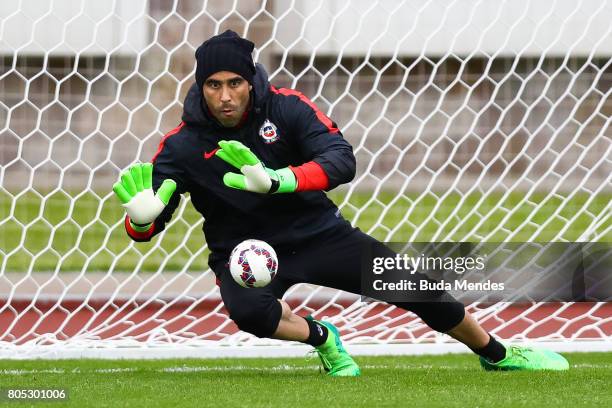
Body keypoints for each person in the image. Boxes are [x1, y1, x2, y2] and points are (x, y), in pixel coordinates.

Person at [113, 30, 569, 376]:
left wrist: (279, 181)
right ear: (200, 86)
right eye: (214, 85)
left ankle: (498, 354)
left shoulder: (287, 109)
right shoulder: (181, 146)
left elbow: (341, 160)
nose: (225, 95)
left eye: (235, 82)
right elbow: (147, 228)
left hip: (320, 235)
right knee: (251, 315)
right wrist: (140, 220)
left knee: (419, 289)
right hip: (246, 254)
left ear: (251, 80)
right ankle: (323, 337)